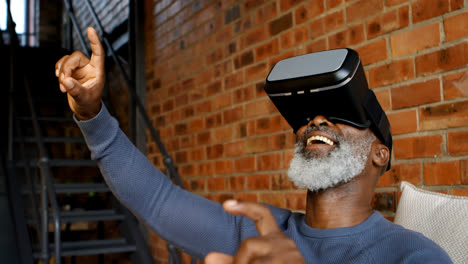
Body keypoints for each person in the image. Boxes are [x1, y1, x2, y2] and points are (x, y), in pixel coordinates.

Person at [55, 28, 452, 264]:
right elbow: (157, 201)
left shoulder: (414, 255)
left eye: (340, 114)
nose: (317, 120)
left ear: (380, 154)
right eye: (309, 116)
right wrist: (93, 116)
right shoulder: (256, 232)